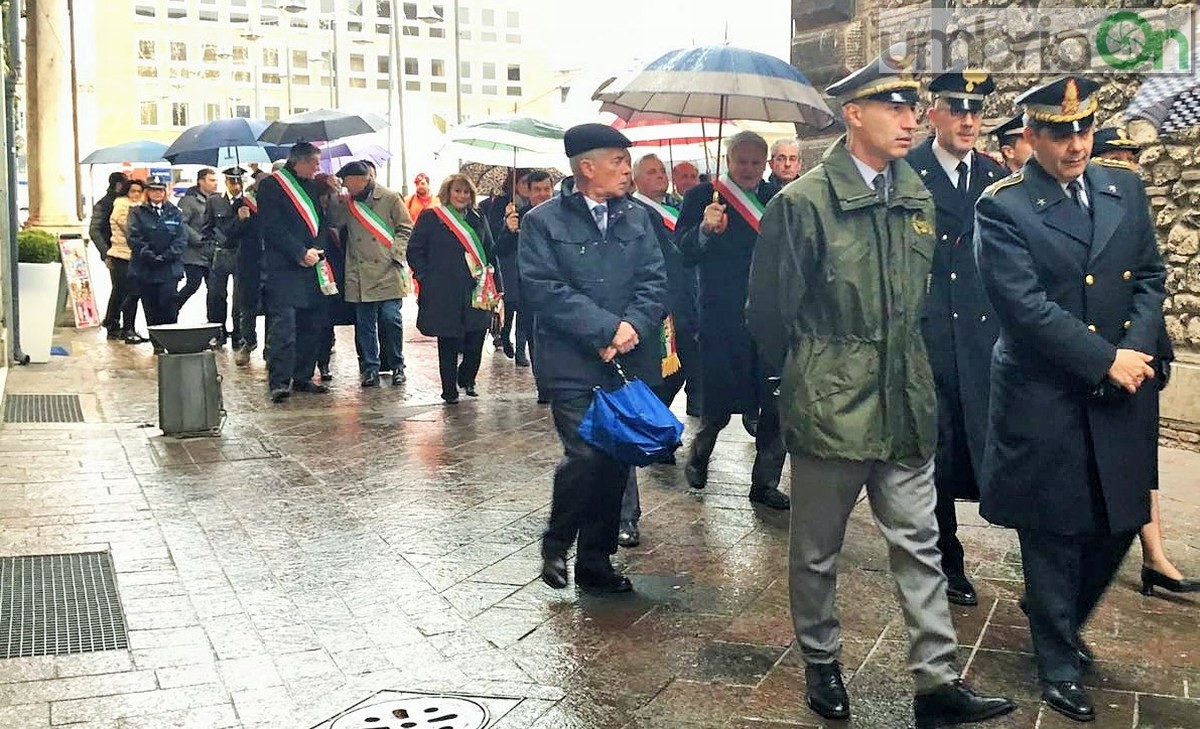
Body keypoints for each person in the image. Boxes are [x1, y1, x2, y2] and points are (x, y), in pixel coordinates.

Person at [747, 52, 1017, 728]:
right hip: (831, 403)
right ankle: (821, 660)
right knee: (816, 549)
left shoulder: (915, 196)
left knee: (920, 542)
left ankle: (936, 680)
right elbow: (768, 313)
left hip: (905, 397)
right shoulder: (802, 203)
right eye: (894, 108)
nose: (910, 119)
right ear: (854, 114)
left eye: (911, 107)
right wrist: (812, 372)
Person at [974, 76, 1169, 722]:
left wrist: (1134, 352)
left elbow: (1148, 275)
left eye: (1084, 129)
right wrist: (1103, 358)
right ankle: (1056, 659)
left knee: (1118, 519)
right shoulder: (1003, 207)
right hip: (1047, 394)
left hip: (1122, 388)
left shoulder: (1125, 188)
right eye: (1060, 133)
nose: (1077, 143)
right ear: (1030, 136)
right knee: (1055, 528)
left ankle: (1056, 612)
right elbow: (1025, 310)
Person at [520, 123, 667, 593]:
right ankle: (556, 539)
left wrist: (629, 329)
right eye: (618, 162)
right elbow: (544, 290)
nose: (628, 171)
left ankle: (595, 562)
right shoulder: (543, 222)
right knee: (585, 453)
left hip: (625, 359)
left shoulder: (638, 218)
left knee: (614, 461)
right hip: (571, 361)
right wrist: (603, 329)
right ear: (587, 167)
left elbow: (655, 281)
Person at [904, 68, 1008, 608]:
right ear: (933, 114)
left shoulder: (994, 176)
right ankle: (948, 556)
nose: (969, 120)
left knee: (983, 447)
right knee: (936, 455)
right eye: (957, 109)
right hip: (929, 338)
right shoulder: (908, 173)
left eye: (976, 111)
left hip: (983, 339)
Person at [1084, 132, 1195, 596]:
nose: (1125, 167)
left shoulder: (1132, 211)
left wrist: (1150, 346)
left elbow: (1151, 281)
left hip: (1142, 352)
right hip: (1100, 360)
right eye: (1114, 158)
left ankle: (1154, 555)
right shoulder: (1085, 213)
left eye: (1131, 159)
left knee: (1139, 462)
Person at [677, 130, 790, 510]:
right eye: (742, 161)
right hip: (721, 314)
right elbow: (683, 252)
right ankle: (700, 453)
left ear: (766, 164)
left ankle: (765, 482)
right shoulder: (702, 198)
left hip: (769, 315)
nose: (748, 169)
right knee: (719, 402)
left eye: (756, 162)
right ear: (728, 161)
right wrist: (705, 230)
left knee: (775, 404)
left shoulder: (779, 199)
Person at [407, 174, 501, 403]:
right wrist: (426, 277)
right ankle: (449, 389)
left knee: (477, 336)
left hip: (475, 289)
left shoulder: (478, 218)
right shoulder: (432, 217)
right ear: (448, 193)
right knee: (448, 340)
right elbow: (415, 250)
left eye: (466, 192)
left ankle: (467, 378)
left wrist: (496, 285)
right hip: (443, 290)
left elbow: (490, 251)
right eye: (457, 191)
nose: (461, 196)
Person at [325, 160, 414, 388]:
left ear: (360, 179)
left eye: (346, 181)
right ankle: (371, 367)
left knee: (391, 319)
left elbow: (405, 227)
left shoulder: (390, 197)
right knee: (365, 324)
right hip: (359, 271)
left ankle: (397, 365)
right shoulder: (348, 202)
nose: (345, 185)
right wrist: (334, 193)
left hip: (387, 269)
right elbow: (334, 221)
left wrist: (396, 253)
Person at [257, 142, 332, 403]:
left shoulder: (311, 186)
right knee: (284, 327)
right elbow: (272, 227)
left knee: (311, 324)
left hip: (312, 265)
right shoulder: (271, 186)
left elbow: (322, 222)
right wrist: (299, 252)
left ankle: (303, 376)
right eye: (314, 163)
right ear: (299, 161)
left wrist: (317, 249)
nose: (317, 168)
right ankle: (279, 381)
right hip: (285, 267)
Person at [494, 170, 554, 369]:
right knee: (533, 335)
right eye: (537, 189)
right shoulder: (518, 216)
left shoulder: (562, 216)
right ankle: (542, 385)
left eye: (547, 189)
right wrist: (508, 230)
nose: (543, 194)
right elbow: (499, 250)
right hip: (528, 287)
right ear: (528, 192)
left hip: (556, 286)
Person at [127, 180, 187, 341]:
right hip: (146, 268)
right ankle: (157, 342)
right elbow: (134, 237)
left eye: (160, 190)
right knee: (150, 306)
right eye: (153, 190)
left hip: (169, 268)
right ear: (147, 192)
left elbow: (181, 238)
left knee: (168, 303)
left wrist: (167, 256)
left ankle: (171, 339)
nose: (157, 193)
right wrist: (149, 255)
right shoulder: (137, 212)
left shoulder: (174, 212)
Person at [202, 167, 252, 347]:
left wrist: (244, 219)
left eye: (239, 182)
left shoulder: (248, 202)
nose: (236, 186)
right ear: (226, 182)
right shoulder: (215, 201)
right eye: (232, 181)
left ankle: (239, 334)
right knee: (216, 295)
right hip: (221, 253)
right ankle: (217, 331)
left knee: (240, 297)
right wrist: (210, 250)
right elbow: (206, 228)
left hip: (241, 253)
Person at [105, 178, 145, 344]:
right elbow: (130, 230)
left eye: (139, 191)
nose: (136, 194)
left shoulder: (137, 207)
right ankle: (123, 327)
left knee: (126, 292)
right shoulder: (123, 206)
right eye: (133, 191)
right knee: (128, 292)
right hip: (122, 255)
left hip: (132, 255)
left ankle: (122, 326)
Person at [91, 171, 128, 338]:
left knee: (124, 289)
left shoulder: (124, 202)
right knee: (120, 288)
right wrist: (106, 252)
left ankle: (118, 323)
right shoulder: (105, 204)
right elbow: (95, 230)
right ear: (118, 185)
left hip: (125, 253)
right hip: (114, 253)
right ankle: (112, 323)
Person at [175, 167, 217, 310]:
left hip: (212, 252)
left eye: (215, 180)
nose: (215, 183)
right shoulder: (188, 201)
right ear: (201, 182)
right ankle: (172, 308)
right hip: (193, 253)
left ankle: (216, 323)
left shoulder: (216, 200)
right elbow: (182, 224)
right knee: (193, 284)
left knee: (215, 291)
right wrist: (198, 238)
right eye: (211, 180)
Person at [232, 173, 263, 367]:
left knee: (274, 308)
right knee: (248, 306)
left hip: (273, 262)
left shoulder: (277, 203)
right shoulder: (242, 203)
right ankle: (247, 342)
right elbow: (229, 235)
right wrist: (241, 220)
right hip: (249, 262)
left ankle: (272, 350)